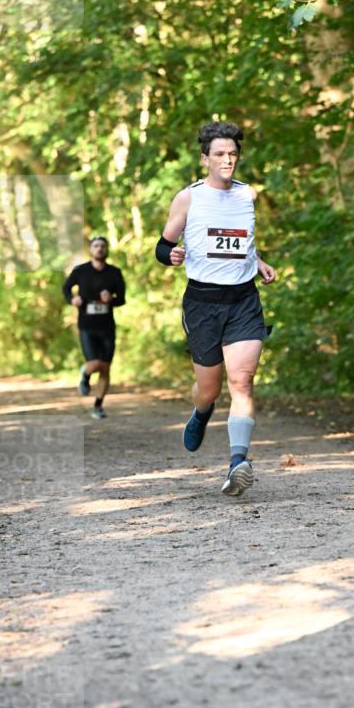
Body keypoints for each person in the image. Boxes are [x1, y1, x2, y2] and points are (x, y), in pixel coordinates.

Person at [156, 121, 276, 496]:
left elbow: (241, 242)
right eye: (220, 154)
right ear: (205, 158)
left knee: (242, 381)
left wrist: (258, 262)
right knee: (209, 389)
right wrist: (171, 255)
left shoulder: (248, 196)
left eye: (233, 154)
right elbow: (163, 244)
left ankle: (238, 461)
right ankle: (202, 412)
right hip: (203, 302)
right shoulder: (188, 198)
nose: (228, 160)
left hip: (243, 300)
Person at [62, 236, 126, 419]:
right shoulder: (80, 271)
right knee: (95, 363)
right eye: (96, 246)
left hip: (106, 326)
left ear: (107, 250)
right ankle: (85, 373)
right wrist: (72, 299)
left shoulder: (114, 272)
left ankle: (98, 406)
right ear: (90, 250)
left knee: (106, 368)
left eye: (103, 246)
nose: (99, 249)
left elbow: (121, 299)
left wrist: (111, 300)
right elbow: (66, 289)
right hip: (87, 326)